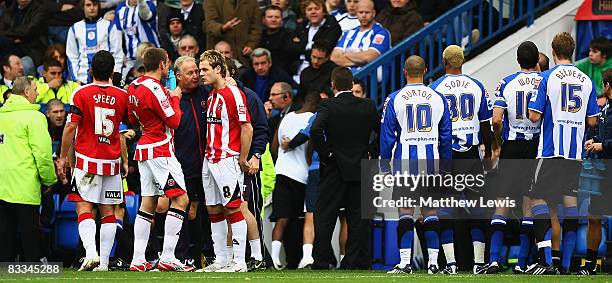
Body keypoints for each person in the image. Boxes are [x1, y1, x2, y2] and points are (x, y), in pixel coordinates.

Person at [525, 32, 599, 275]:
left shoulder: (547, 77)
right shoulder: (586, 79)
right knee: (569, 203)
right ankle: (564, 263)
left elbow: (535, 116)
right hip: (575, 153)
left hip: (551, 150)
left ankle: (546, 261)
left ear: (553, 52)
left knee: (538, 199)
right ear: (573, 51)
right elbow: (591, 121)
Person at [56, 50, 129, 271]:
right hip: (111, 161)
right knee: (109, 212)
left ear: (91, 70)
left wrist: (62, 157)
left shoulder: (80, 93)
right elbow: (124, 130)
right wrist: (124, 160)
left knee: (83, 206)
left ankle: (90, 254)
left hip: (88, 160)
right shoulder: (121, 95)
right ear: (113, 71)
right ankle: (104, 263)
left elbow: (70, 126)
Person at [381, 55, 451, 274]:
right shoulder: (438, 97)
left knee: (405, 213)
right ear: (426, 70)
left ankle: (405, 263)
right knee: (430, 212)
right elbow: (446, 135)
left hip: (405, 164)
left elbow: (387, 136)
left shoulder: (394, 98)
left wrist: (384, 163)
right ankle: (433, 264)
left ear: (404, 72)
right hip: (431, 164)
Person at [127, 48, 193, 272]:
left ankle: (137, 260)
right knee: (181, 200)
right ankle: (168, 256)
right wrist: (174, 99)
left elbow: (130, 117)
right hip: (160, 150)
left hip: (144, 148)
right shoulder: (156, 89)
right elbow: (174, 121)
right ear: (163, 64)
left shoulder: (134, 86)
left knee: (148, 204)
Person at [430, 45, 494, 275]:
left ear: (444, 61)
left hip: (447, 154)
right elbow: (486, 123)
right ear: (463, 61)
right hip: (471, 154)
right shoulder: (477, 86)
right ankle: (478, 263)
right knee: (477, 208)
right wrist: (488, 151)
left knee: (445, 208)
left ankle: (451, 263)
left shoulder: (435, 88)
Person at [311, 67, 378, 269]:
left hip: (335, 167)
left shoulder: (328, 106)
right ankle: (355, 261)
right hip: (360, 166)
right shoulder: (368, 105)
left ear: (333, 85)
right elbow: (381, 132)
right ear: (351, 85)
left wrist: (326, 153)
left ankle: (322, 260)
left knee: (325, 215)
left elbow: (315, 130)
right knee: (358, 218)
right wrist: (371, 151)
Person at [486, 41, 542, 274]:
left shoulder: (506, 82)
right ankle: (522, 263)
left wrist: (497, 141)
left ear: (518, 60)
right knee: (529, 203)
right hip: (535, 146)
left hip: (511, 146)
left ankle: (495, 260)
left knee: (503, 202)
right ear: (537, 60)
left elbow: (496, 119)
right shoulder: (543, 81)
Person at [199, 49, 253, 272]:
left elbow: (247, 128)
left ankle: (239, 262)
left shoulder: (233, 94)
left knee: (233, 208)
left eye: (205, 69)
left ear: (218, 69)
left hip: (227, 159)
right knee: (213, 209)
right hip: (209, 160)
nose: (201, 74)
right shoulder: (212, 95)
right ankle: (221, 259)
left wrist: (242, 158)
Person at [0, 76, 56, 263]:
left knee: (5, 237)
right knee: (29, 236)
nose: (38, 93)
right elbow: (43, 154)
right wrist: (49, 180)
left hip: (2, 185)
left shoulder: (1, 116)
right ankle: (32, 273)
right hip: (24, 185)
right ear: (26, 92)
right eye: (35, 89)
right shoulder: (35, 118)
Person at [224, 57, 269, 272]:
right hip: (222, 162)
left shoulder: (249, 97)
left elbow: (260, 129)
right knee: (228, 210)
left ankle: (258, 256)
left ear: (229, 72)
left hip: (244, 163)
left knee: (245, 208)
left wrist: (256, 155)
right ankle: (230, 256)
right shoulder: (214, 95)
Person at [269, 91, 319, 269]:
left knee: (281, 217)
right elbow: (310, 147)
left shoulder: (287, 116)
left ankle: (274, 259)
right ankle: (299, 258)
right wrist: (307, 163)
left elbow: (274, 146)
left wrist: (282, 160)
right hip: (301, 175)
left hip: (281, 171)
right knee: (301, 219)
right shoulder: (313, 118)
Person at [172, 55, 210, 270]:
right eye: (190, 73)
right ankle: (183, 256)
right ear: (178, 76)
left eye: (197, 71)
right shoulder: (172, 99)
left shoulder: (206, 93)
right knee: (186, 211)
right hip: (182, 166)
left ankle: (208, 254)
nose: (196, 76)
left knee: (210, 210)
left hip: (208, 165)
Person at [581, 69, 612, 275]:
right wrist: (595, 142)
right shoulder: (605, 109)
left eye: (603, 83)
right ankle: (591, 264)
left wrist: (604, 145)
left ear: (607, 85)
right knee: (594, 216)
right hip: (603, 171)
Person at [67, 0, 124, 84]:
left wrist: (114, 76)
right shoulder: (74, 28)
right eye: (88, 5)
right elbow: (72, 56)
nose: (92, 8)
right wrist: (75, 79)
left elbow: (117, 53)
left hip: (106, 80)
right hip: (82, 80)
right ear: (83, 7)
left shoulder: (109, 26)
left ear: (99, 6)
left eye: (95, 4)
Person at [331, 0, 391, 73]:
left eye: (367, 12)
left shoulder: (381, 33)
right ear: (356, 13)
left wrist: (345, 55)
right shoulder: (349, 32)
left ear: (374, 13)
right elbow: (334, 57)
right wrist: (361, 59)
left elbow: (369, 57)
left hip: (371, 80)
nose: (363, 15)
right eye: (361, 12)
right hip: (347, 80)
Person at [291, 0, 342, 81]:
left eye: (316, 9)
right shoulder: (301, 27)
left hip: (319, 73)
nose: (313, 12)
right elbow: (291, 48)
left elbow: (324, 51)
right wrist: (307, 48)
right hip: (296, 70)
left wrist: (301, 46)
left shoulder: (332, 27)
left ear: (324, 11)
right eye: (309, 9)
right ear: (305, 13)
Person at [204, 0, 262, 65]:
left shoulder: (252, 2)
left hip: (243, 54)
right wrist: (223, 27)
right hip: (218, 54)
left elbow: (256, 27)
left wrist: (251, 45)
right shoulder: (211, 1)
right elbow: (209, 24)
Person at [114, 0, 161, 76]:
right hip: (130, 59)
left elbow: (146, 16)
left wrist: (142, 2)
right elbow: (117, 33)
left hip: (150, 58)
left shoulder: (148, 4)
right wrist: (120, 55)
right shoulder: (120, 8)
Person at [0, 0, 47, 74]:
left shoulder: (40, 9)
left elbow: (28, 30)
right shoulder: (10, 8)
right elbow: (1, 29)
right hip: (10, 46)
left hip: (30, 49)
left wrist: (9, 35)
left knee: (25, 66)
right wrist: (12, 39)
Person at [259, 5, 298, 76]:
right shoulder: (259, 36)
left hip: (281, 75)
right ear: (263, 20)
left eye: (277, 17)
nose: (273, 19)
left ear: (282, 20)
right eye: (270, 17)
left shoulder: (288, 36)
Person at [575, 37, 611, 105]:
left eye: (594, 52)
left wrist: (607, 99)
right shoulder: (587, 62)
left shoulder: (610, 67)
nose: (590, 54)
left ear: (604, 55)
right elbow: (571, 67)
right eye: (590, 51)